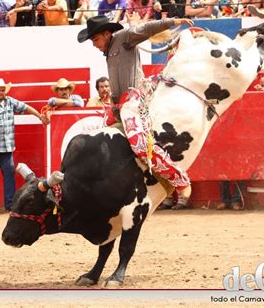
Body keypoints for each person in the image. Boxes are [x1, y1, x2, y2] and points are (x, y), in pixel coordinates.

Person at [77, 15, 194, 192]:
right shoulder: (110, 48)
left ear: (107, 34)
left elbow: (147, 28)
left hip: (133, 98)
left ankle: (179, 179)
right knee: (99, 136)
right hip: (118, 104)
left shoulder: (124, 37)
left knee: (140, 145)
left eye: (95, 39)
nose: (94, 43)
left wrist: (173, 21)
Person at [0, 78, 46, 213]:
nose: (1, 92)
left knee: (9, 174)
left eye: (3, 90)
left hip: (6, 147)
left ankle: (10, 205)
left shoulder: (10, 102)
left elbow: (25, 107)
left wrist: (39, 116)